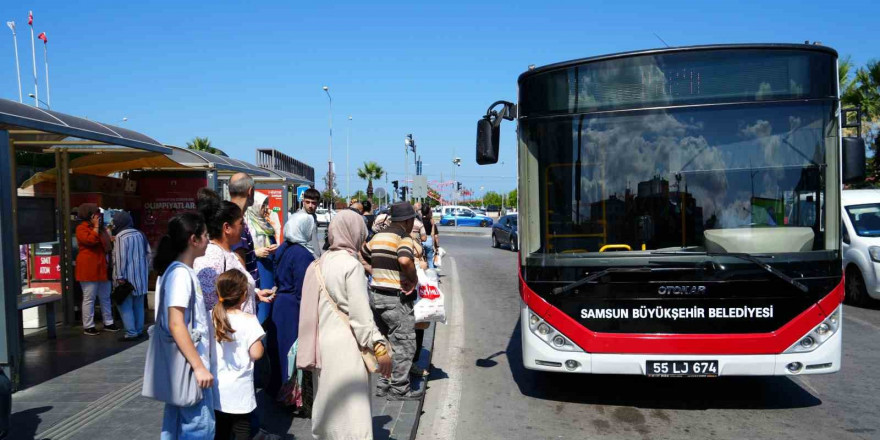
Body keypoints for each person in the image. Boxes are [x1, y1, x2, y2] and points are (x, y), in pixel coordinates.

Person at [308, 209, 392, 439]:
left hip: (322, 343)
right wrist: (379, 346)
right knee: (353, 412)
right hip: (348, 345)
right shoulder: (352, 266)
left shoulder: (319, 263)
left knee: (329, 406)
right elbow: (361, 318)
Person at [153, 213, 215, 439]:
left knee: (175, 425)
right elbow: (176, 323)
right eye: (206, 235)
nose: (208, 239)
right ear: (193, 239)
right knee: (199, 427)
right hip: (189, 367)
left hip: (179, 366)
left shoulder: (175, 271)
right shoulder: (180, 274)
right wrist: (199, 366)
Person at [360, 202, 422, 400]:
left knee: (384, 342)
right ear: (407, 220)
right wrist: (413, 279)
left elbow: (363, 255)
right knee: (404, 344)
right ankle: (399, 389)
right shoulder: (403, 237)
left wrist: (374, 272)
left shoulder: (377, 236)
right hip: (396, 297)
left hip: (375, 295)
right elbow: (404, 260)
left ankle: (383, 384)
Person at [266, 212, 316, 397]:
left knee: (279, 350)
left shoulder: (284, 248)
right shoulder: (302, 254)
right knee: (291, 352)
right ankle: (289, 394)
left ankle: (276, 389)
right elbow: (304, 287)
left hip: (280, 304)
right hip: (293, 307)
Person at [212, 270, 266, 440]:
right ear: (244, 295)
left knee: (220, 432)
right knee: (242, 431)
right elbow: (256, 353)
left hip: (216, 391)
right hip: (240, 393)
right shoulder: (249, 320)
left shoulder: (210, 317)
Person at [75, 204, 119, 335]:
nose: (98, 217)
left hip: (102, 267)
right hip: (88, 268)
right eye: (95, 214)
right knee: (90, 298)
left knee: (105, 296)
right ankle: (88, 325)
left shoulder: (101, 229)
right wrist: (95, 227)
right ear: (89, 215)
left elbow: (106, 243)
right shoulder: (81, 229)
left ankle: (108, 322)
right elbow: (90, 240)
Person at [111, 211, 151, 341]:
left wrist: (119, 276)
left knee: (125, 305)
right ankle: (138, 330)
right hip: (140, 277)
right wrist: (145, 270)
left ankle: (131, 332)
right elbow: (148, 254)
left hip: (126, 279)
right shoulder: (140, 234)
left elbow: (120, 258)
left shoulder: (121, 237)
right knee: (138, 305)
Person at [246, 192, 280, 324]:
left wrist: (274, 248)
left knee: (270, 303)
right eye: (263, 205)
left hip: (269, 269)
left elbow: (273, 241)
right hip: (256, 269)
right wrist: (256, 252)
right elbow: (240, 252)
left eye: (267, 204)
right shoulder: (247, 226)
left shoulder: (265, 224)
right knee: (261, 308)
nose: (266, 208)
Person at [421, 204, 439, 269]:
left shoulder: (419, 220)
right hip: (429, 240)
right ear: (428, 211)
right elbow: (433, 233)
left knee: (421, 260)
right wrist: (434, 245)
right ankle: (432, 276)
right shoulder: (431, 221)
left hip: (421, 240)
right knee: (430, 260)